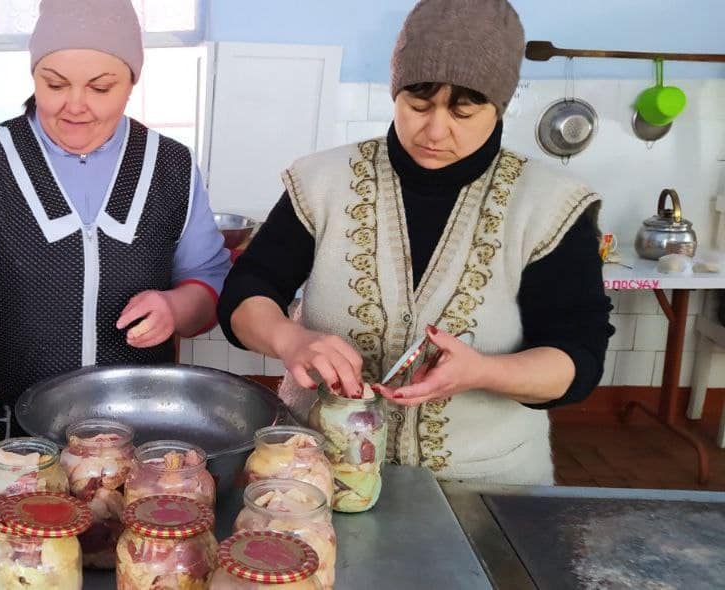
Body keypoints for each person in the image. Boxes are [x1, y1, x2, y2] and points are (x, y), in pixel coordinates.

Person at [218, 0, 613, 485]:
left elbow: (579, 356)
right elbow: (248, 290)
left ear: (500, 106)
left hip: (488, 486)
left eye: (464, 112)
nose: (434, 130)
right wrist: (289, 338)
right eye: (417, 105)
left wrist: (484, 372)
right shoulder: (323, 182)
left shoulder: (550, 206)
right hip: (316, 474)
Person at [0, 0, 230, 425]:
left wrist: (175, 307)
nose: (75, 106)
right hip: (5, 432)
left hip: (131, 431)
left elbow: (207, 282)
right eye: (55, 85)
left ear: (132, 82)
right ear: (34, 76)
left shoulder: (171, 166)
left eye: (101, 88)